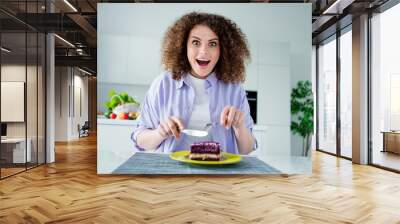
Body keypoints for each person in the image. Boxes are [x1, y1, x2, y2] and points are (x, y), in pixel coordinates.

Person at [131, 11, 256, 155]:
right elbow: (140, 140)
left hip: (218, 173)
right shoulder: (163, 84)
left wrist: (240, 127)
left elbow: (247, 149)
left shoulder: (234, 89)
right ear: (183, 46)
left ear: (223, 50)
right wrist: (160, 133)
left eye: (213, 44)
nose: (203, 52)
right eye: (195, 42)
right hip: (171, 172)